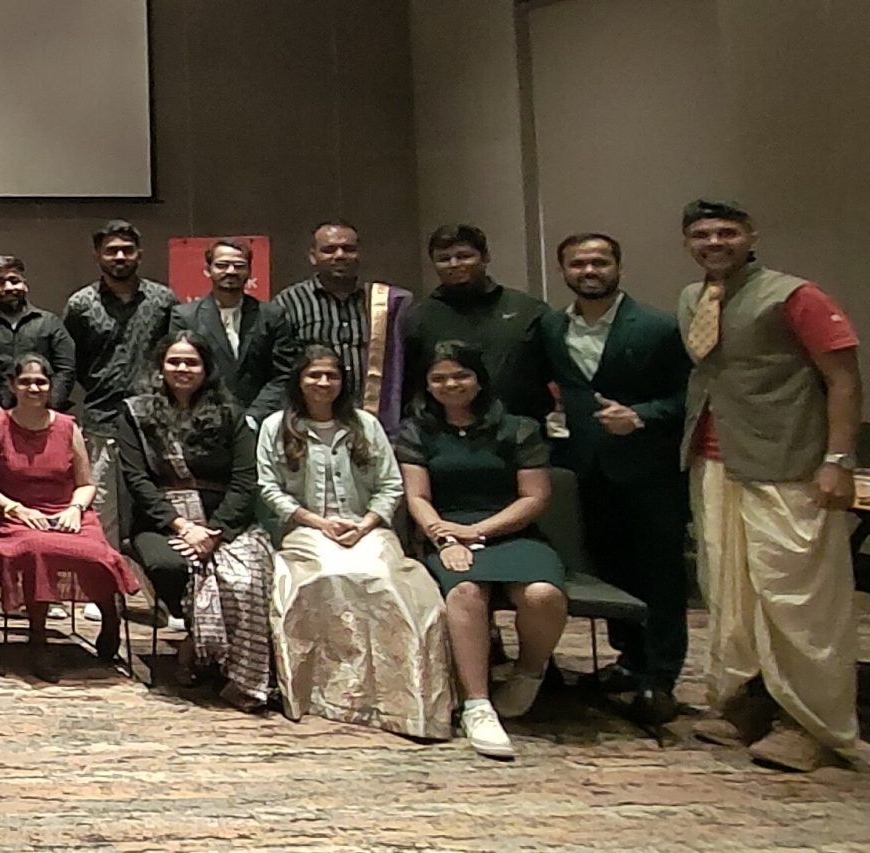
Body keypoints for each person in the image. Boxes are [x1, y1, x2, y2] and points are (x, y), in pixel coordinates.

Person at [673, 199, 865, 771]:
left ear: (752, 234)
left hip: (789, 463)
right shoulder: (693, 299)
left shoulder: (795, 296)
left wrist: (838, 460)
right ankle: (749, 704)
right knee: (731, 596)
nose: (714, 242)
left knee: (797, 599)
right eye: (701, 234)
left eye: (726, 232)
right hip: (715, 461)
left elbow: (844, 380)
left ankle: (812, 724)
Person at [257, 345, 452, 741]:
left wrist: (365, 524)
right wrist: (317, 522)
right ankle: (329, 696)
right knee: (326, 576)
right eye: (314, 375)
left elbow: (391, 485)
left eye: (331, 375)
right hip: (308, 530)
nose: (323, 382)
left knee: (384, 579)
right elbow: (269, 488)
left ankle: (402, 703)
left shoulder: (366, 425)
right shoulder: (276, 426)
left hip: (367, 528)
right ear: (299, 380)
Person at [538, 232, 692, 724]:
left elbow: (692, 397)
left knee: (659, 575)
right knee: (610, 566)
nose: (589, 271)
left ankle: (660, 678)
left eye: (599, 262)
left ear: (618, 266)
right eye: (578, 263)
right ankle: (628, 659)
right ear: (564, 270)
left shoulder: (659, 326)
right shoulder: (551, 327)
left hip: (650, 470)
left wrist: (641, 416)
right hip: (585, 468)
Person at [396, 340, 566, 759]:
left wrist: (476, 532)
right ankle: (477, 704)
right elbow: (417, 497)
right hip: (446, 533)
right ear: (427, 385)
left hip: (512, 531)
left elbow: (535, 497)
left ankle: (528, 673)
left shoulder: (519, 428)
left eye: (461, 375)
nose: (450, 384)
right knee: (466, 592)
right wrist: (445, 537)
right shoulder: (417, 430)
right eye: (439, 378)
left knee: (542, 596)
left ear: (479, 379)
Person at [115, 333, 274, 708]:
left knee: (247, 576)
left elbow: (245, 480)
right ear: (161, 367)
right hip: (161, 521)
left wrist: (216, 531)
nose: (182, 369)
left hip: (224, 521)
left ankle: (231, 666)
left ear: (206, 369)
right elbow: (137, 479)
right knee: (172, 565)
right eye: (174, 361)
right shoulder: (137, 414)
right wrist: (182, 526)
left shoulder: (231, 415)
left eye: (192, 362)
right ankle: (200, 640)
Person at [0, 353, 138, 677]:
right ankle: (38, 638)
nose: (33, 388)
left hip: (67, 512)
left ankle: (110, 618)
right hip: (16, 517)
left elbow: (86, 483)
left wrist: (75, 509)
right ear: (12, 385)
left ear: (50, 386)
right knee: (37, 551)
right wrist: (15, 508)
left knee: (98, 553)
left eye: (40, 382)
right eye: (25, 382)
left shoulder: (67, 426)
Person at [251, 221, 416, 425]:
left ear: (359, 254)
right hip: (310, 422)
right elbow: (277, 370)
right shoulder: (288, 303)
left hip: (375, 421)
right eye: (329, 250)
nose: (340, 255)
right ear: (313, 256)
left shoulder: (386, 304)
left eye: (348, 249)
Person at [403, 225, 553, 421]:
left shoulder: (529, 310)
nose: (454, 264)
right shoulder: (417, 318)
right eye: (444, 259)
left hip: (522, 429)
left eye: (464, 256)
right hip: (444, 432)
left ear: (485, 257)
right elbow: (410, 386)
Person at [63, 220, 179, 437]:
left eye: (127, 250)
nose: (120, 256)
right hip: (101, 416)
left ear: (139, 255)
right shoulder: (81, 304)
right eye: (111, 251)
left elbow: (174, 350)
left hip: (155, 416)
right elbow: (72, 361)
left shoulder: (163, 300)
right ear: (97, 256)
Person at [0, 254, 75, 430]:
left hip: (47, 419)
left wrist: (48, 406)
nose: (8, 287)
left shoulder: (49, 322)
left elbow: (66, 369)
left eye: (14, 281)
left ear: (24, 283)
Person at [172, 240, 272, 409]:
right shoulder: (184, 317)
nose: (231, 271)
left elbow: (282, 374)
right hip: (203, 412)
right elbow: (180, 371)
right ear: (208, 270)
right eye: (222, 265)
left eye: (239, 266)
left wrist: (255, 415)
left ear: (249, 271)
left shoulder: (271, 316)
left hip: (259, 416)